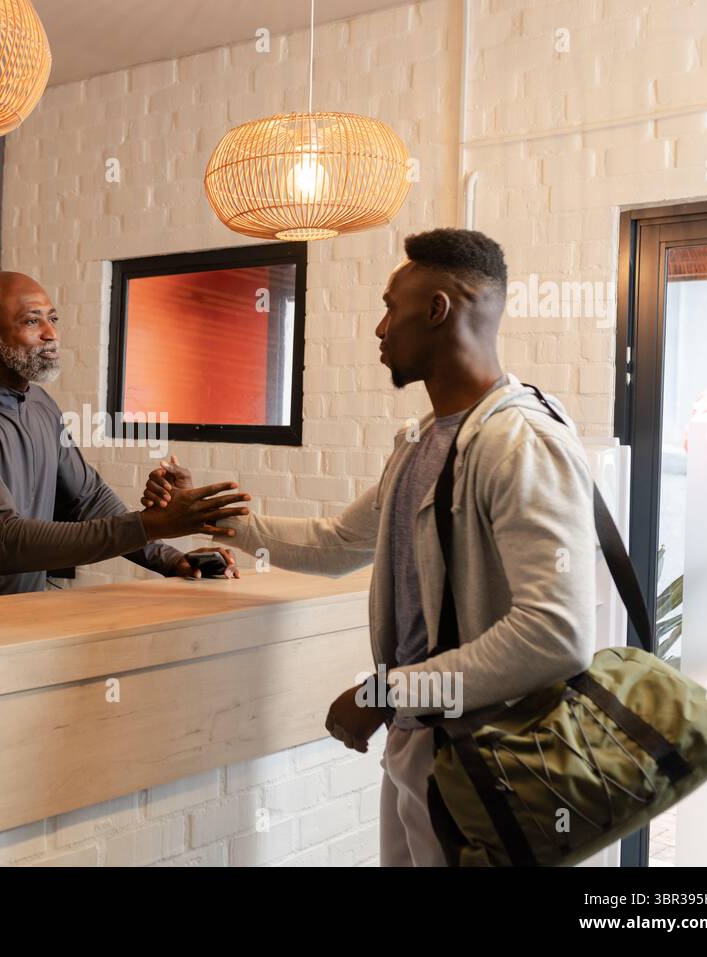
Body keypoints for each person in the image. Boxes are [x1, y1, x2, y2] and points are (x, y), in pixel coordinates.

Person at [141, 229, 597, 866]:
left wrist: (384, 693)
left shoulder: (519, 441)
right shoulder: (419, 443)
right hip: (423, 749)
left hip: (498, 765)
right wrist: (208, 519)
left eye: (391, 307)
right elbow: (334, 545)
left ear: (437, 309)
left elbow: (555, 634)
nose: (379, 329)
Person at [0, 271, 249, 607]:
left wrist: (170, 559)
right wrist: (149, 525)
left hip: (15, 617)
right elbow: (3, 542)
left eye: (53, 319)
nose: (51, 333)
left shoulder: (41, 405)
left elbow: (87, 499)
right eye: (33, 321)